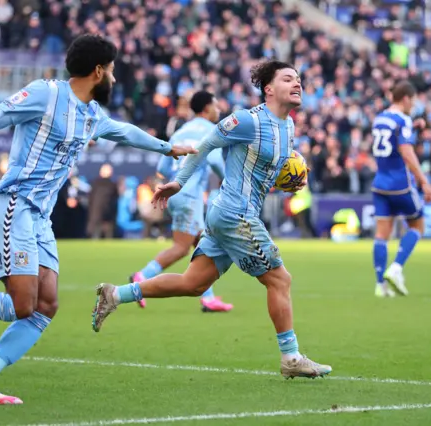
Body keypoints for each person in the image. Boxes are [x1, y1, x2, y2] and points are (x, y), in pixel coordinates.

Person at [0, 34, 196, 404]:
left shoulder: (91, 114)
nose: (114, 80)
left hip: (39, 219)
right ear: (98, 71)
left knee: (45, 306)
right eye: (112, 72)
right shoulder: (45, 94)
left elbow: (123, 131)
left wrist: (167, 147)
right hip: (13, 207)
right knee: (22, 305)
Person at [92, 60, 332, 379]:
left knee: (193, 284)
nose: (297, 83)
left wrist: (287, 182)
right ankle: (291, 358)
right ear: (269, 88)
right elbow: (204, 147)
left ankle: (115, 294)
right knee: (280, 280)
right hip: (236, 214)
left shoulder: (287, 127)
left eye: (299, 79)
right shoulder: (246, 120)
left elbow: (258, 175)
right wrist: (179, 181)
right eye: (289, 78)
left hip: (228, 214)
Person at [129, 90, 233, 312]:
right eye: (215, 105)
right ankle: (142, 277)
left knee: (202, 244)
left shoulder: (180, 132)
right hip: (190, 195)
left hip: (175, 192)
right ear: (206, 108)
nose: (219, 109)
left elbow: (162, 168)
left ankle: (208, 298)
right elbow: (215, 161)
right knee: (182, 247)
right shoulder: (209, 131)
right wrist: (232, 183)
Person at [371, 81, 431, 298]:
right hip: (401, 183)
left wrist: (413, 128)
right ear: (406, 98)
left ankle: (380, 286)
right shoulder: (403, 119)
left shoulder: (380, 118)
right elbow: (406, 152)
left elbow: (391, 139)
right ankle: (396, 268)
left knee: (381, 235)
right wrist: (423, 180)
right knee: (417, 225)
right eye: (413, 100)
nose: (413, 105)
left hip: (380, 182)